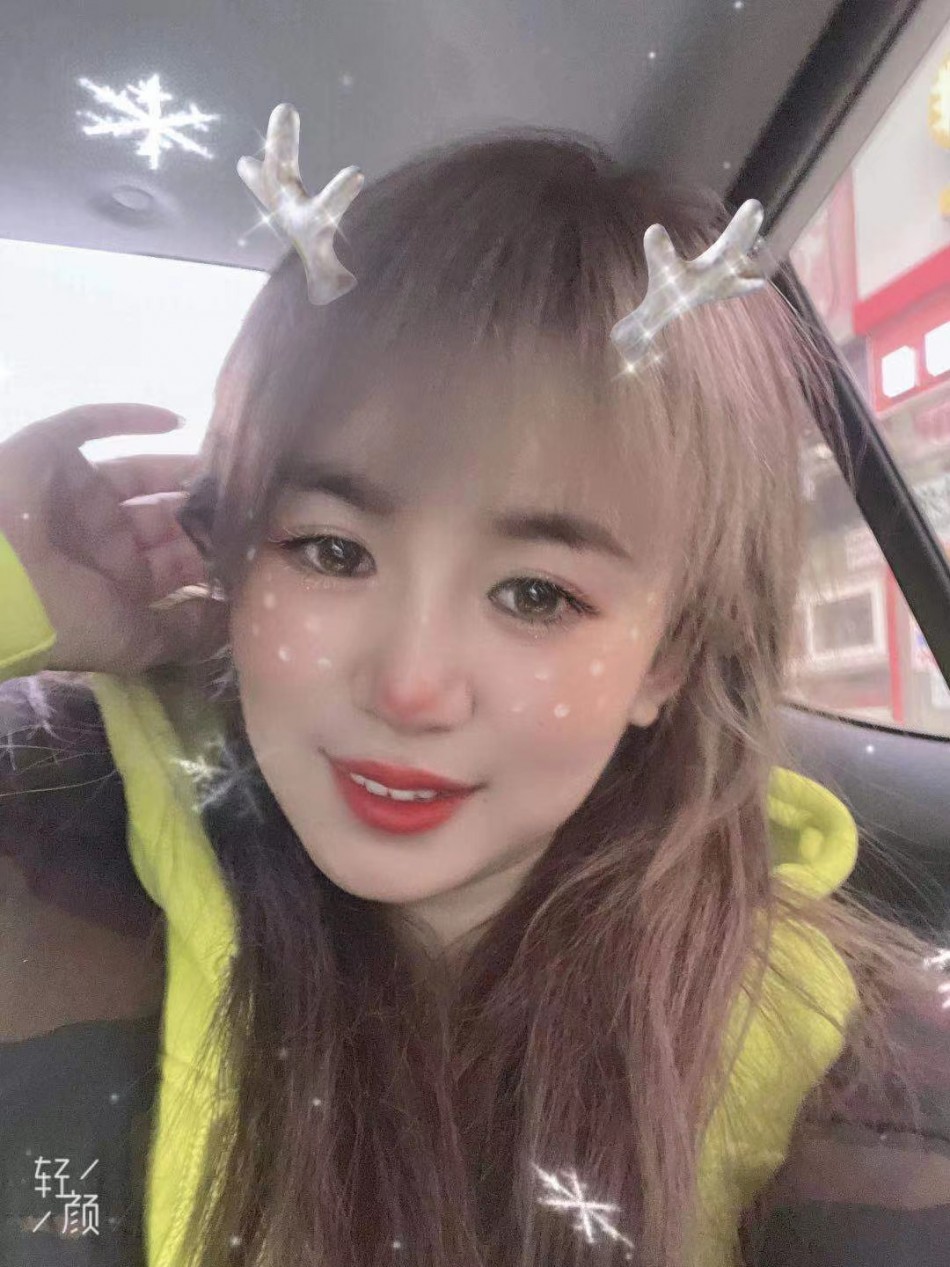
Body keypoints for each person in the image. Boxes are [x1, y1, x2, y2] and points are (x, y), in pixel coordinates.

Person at [1, 127, 949, 1267]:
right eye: (332, 552)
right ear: (233, 563)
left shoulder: (846, 1077)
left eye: (536, 594)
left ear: (666, 657)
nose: (410, 687)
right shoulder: (50, 833)